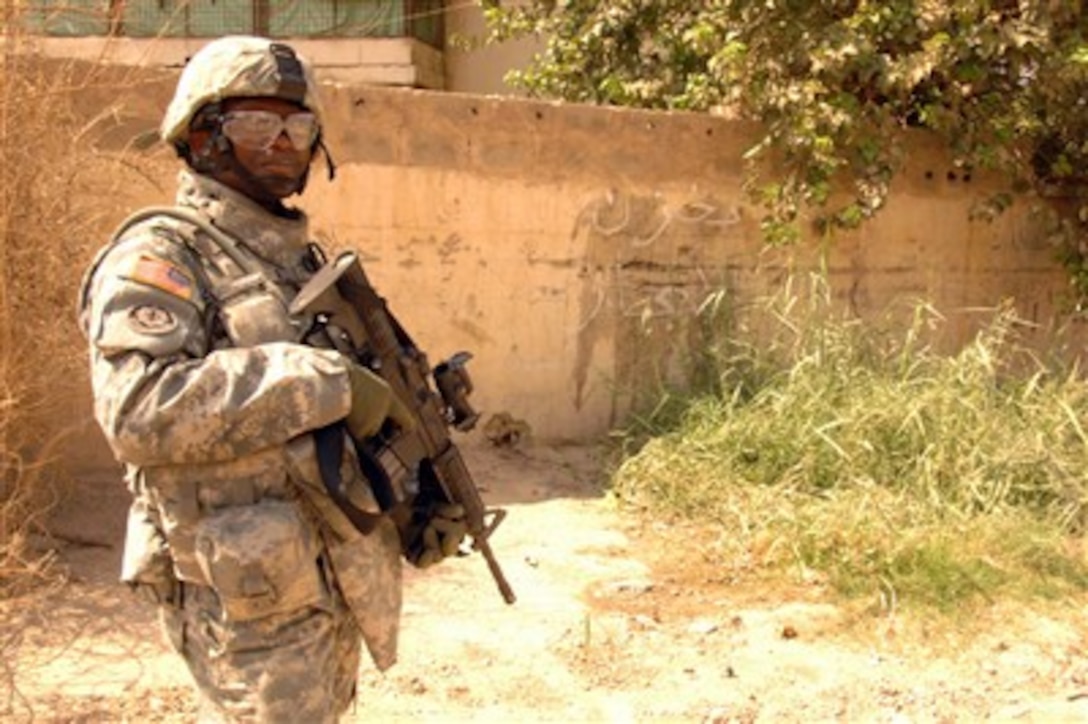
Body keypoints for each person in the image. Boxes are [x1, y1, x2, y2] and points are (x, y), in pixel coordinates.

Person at [77, 36, 461, 722]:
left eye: (299, 126)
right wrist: (320, 377)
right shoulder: (162, 254)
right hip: (249, 601)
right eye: (259, 125)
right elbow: (138, 409)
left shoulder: (292, 259)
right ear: (202, 134)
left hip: (324, 580)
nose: (284, 143)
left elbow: (339, 432)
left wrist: (416, 498)